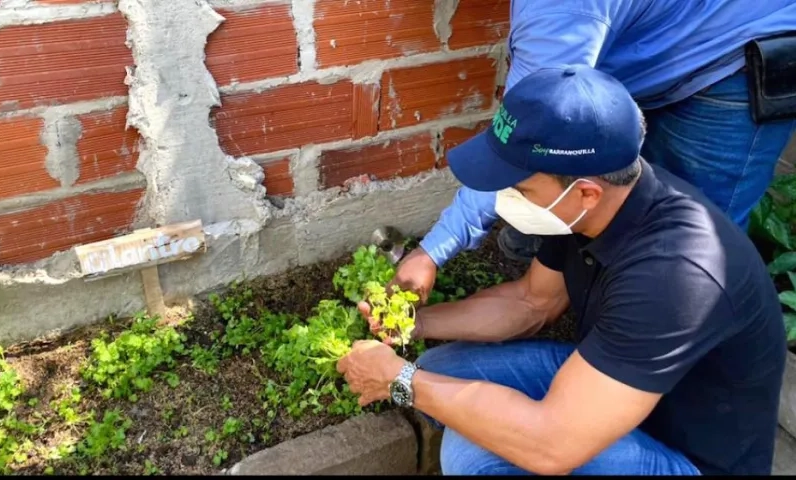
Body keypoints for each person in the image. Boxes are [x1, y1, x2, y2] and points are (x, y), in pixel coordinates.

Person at [336, 66, 786, 475]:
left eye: (520, 187)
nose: (504, 197)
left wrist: (401, 381)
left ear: (586, 193)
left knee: (474, 456)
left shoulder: (673, 276)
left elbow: (550, 447)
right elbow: (532, 301)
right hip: (618, 390)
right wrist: (414, 324)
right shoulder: (592, 205)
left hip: (683, 452)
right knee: (443, 366)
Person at [418, 0, 796, 269]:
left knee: (697, 244)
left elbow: (526, 138)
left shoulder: (560, 10)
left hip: (737, 49)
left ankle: (667, 343)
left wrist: (432, 252)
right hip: (665, 33)